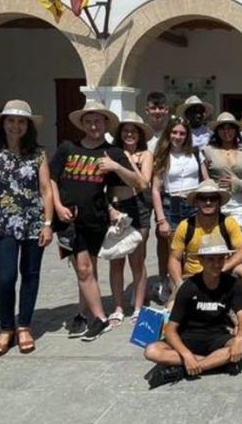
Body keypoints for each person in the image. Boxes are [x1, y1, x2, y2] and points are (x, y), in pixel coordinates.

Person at [49, 101, 142, 342]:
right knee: (83, 268)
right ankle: (100, 319)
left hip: (96, 220)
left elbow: (138, 182)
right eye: (88, 121)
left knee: (87, 269)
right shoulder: (67, 148)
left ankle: (83, 313)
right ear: (82, 123)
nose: (93, 125)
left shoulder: (113, 152)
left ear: (106, 123)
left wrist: (114, 167)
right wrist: (57, 207)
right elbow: (51, 180)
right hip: (69, 220)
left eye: (97, 121)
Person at [0, 100, 53, 356]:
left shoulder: (38, 154)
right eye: (11, 121)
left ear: (28, 126)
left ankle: (24, 326)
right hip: (3, 224)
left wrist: (48, 223)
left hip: (33, 222)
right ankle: (6, 327)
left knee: (31, 275)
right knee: (6, 277)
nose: (15, 126)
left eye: (21, 122)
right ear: (2, 124)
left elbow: (45, 189)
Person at [142, 233, 242, 389]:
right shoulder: (188, 287)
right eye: (211, 259)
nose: (216, 264)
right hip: (188, 337)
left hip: (217, 336)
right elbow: (171, 330)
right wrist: (186, 354)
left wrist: (239, 339)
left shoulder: (232, 284)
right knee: (151, 351)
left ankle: (189, 368)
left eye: (220, 258)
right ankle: (216, 363)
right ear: (201, 261)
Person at [106, 112, 154, 326]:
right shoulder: (111, 153)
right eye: (125, 130)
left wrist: (125, 161)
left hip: (138, 208)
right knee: (116, 260)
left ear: (140, 134)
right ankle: (117, 306)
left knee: (137, 260)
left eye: (134, 131)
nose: (129, 134)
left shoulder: (146, 155)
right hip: (116, 208)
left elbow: (143, 182)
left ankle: (138, 307)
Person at [167, 180, 242, 291]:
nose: (208, 202)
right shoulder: (185, 226)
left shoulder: (228, 223)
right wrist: (179, 285)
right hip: (193, 277)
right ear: (196, 202)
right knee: (172, 302)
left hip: (221, 274)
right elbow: (174, 258)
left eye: (213, 198)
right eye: (203, 198)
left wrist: (220, 269)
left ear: (219, 202)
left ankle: (236, 304)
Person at [151, 118, 202, 304]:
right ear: (168, 134)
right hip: (171, 203)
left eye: (182, 133)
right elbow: (155, 190)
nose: (178, 137)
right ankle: (175, 295)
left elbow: (204, 180)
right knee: (175, 252)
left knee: (194, 248)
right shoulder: (162, 156)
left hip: (193, 203)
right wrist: (161, 219)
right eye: (174, 132)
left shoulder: (195, 153)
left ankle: (193, 289)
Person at [200, 112, 242, 227]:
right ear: (217, 131)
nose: (226, 132)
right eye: (222, 129)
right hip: (214, 201)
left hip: (237, 202)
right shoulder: (208, 151)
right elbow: (202, 177)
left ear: (236, 131)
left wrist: (238, 183)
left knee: (237, 239)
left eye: (230, 128)